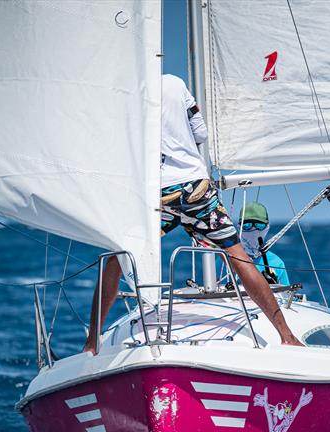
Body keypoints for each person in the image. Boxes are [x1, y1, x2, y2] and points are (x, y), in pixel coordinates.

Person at [82, 74, 302, 353]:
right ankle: (286, 335)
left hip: (158, 190)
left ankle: (91, 344)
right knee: (238, 257)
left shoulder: (128, 84)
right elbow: (200, 133)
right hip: (195, 184)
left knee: (117, 258)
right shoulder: (175, 83)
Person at [231, 201, 290, 286]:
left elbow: (286, 296)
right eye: (247, 225)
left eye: (259, 225)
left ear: (267, 227)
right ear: (239, 226)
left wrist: (273, 288)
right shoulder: (225, 259)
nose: (254, 230)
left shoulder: (277, 262)